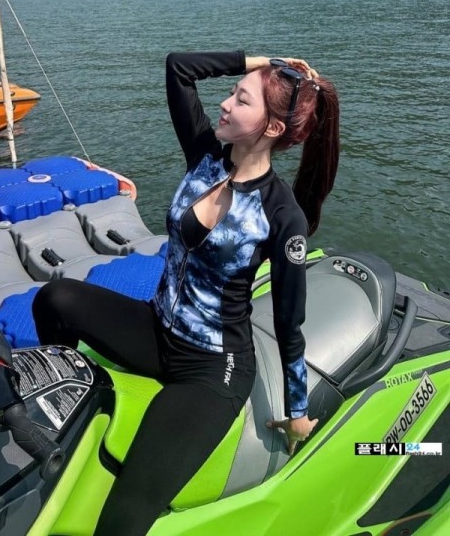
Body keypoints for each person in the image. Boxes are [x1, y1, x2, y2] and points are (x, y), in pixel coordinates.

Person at [32, 50, 340, 536]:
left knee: (123, 518)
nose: (225, 103)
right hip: (157, 328)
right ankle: (63, 407)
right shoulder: (206, 155)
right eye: (232, 92)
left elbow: (289, 322)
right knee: (55, 299)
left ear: (273, 128)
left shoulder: (283, 216)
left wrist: (297, 413)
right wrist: (266, 61)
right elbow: (179, 67)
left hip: (212, 368)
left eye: (241, 100)